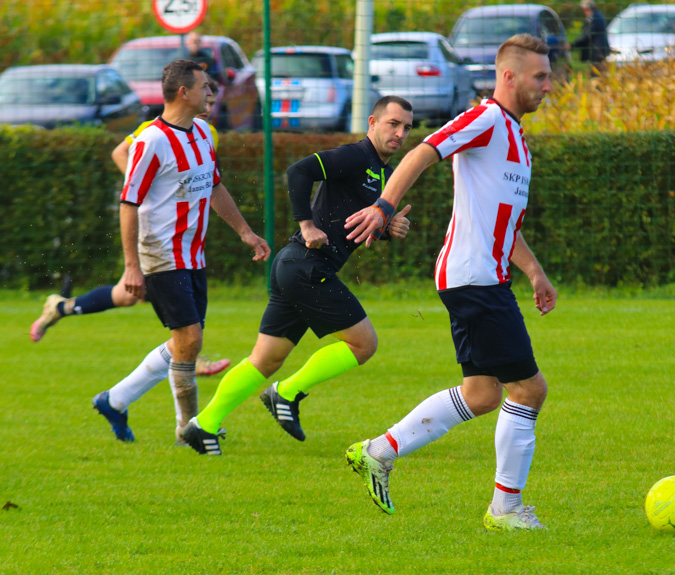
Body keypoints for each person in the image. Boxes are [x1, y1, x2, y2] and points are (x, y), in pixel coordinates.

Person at [343, 34, 557, 531]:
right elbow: (423, 152)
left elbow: (501, 221)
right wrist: (383, 205)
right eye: (540, 76)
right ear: (509, 76)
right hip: (474, 278)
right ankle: (505, 510)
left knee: (482, 394)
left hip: (483, 277)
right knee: (528, 390)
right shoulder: (485, 118)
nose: (549, 85)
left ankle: (379, 450)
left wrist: (534, 270)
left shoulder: (516, 139)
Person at [178, 96, 414, 455]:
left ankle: (202, 426)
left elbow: (347, 219)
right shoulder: (356, 155)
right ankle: (285, 393)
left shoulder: (381, 172)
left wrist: (385, 225)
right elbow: (298, 171)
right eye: (392, 124)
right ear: (372, 122)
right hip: (306, 265)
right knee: (364, 344)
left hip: (296, 266)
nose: (400, 133)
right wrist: (306, 224)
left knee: (266, 359)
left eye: (407, 128)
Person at [92, 60, 270, 443]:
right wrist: (132, 267)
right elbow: (129, 203)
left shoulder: (204, 132)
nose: (212, 92)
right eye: (205, 86)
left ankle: (115, 400)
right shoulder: (152, 141)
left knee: (184, 343)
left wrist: (246, 232)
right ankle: (190, 428)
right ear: (183, 92)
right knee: (189, 340)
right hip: (161, 254)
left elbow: (215, 186)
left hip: (193, 255)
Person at [30, 76, 230, 377]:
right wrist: (147, 189)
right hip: (155, 233)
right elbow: (120, 153)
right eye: (206, 98)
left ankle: (60, 308)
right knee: (165, 306)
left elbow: (207, 183)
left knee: (128, 295)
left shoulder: (206, 132)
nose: (208, 108)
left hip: (180, 238)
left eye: (213, 103)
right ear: (187, 94)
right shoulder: (156, 132)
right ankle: (190, 356)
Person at [572, 0, 610, 77]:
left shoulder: (594, 18)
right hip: (598, 52)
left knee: (597, 76)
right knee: (598, 74)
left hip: (597, 53)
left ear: (586, 9)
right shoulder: (597, 16)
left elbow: (587, 36)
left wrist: (572, 45)